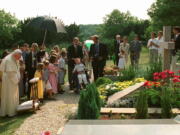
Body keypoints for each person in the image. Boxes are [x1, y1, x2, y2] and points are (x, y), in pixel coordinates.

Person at [0, 49, 22, 117]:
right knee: (9, 96)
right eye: (18, 57)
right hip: (9, 80)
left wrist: (19, 77)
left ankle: (14, 110)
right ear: (15, 55)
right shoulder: (9, 60)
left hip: (13, 78)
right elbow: (10, 73)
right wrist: (17, 80)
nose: (18, 59)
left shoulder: (14, 57)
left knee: (12, 96)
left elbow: (17, 68)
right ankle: (10, 112)